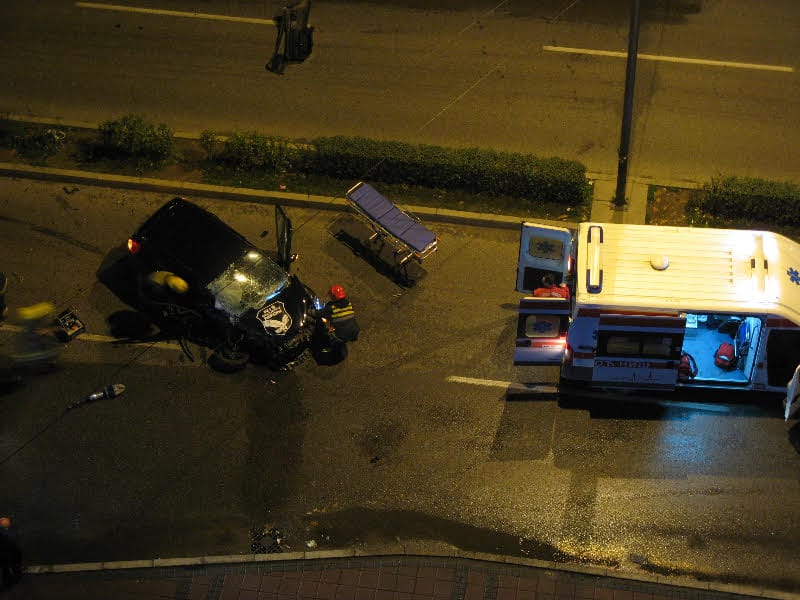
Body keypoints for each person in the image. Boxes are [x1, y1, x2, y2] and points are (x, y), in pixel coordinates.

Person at [0, 516, 22, 590]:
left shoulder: (14, 530)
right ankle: (7, 583)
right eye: (4, 522)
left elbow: (17, 539)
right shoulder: (1, 532)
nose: (6, 523)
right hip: (4, 553)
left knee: (16, 566)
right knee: (5, 569)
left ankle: (16, 579)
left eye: (7, 522)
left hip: (14, 552)